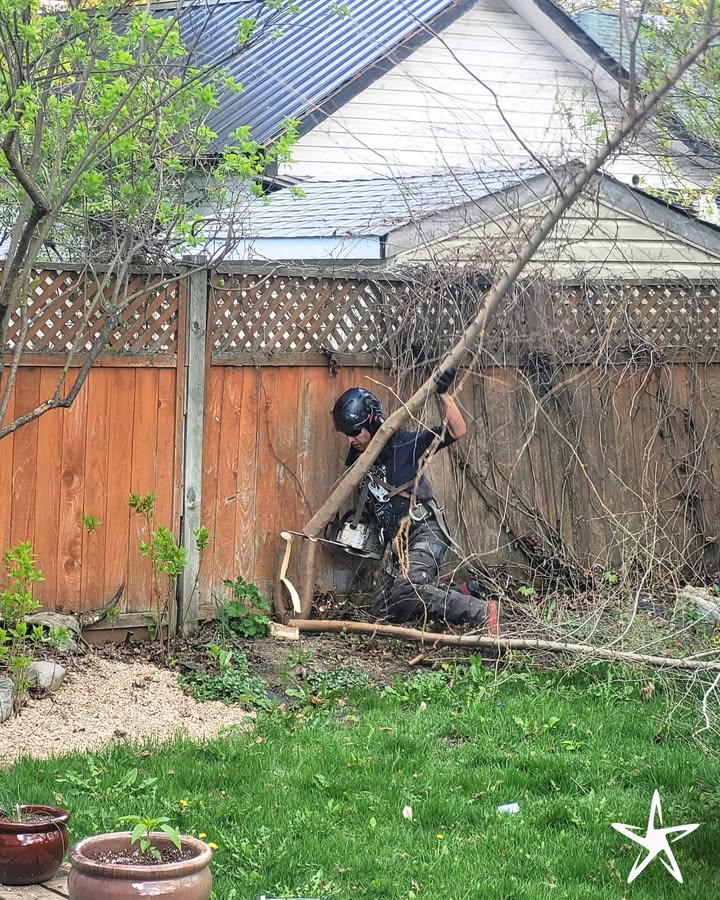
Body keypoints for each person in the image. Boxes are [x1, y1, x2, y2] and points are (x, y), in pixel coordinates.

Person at [331, 370, 490, 627]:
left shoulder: (405, 445)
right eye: (346, 433)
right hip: (396, 546)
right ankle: (464, 594)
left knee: (408, 592)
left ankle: (482, 612)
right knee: (383, 610)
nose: (350, 439)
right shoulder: (358, 461)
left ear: (372, 422)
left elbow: (457, 430)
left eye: (355, 431)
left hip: (424, 531)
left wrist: (443, 393)